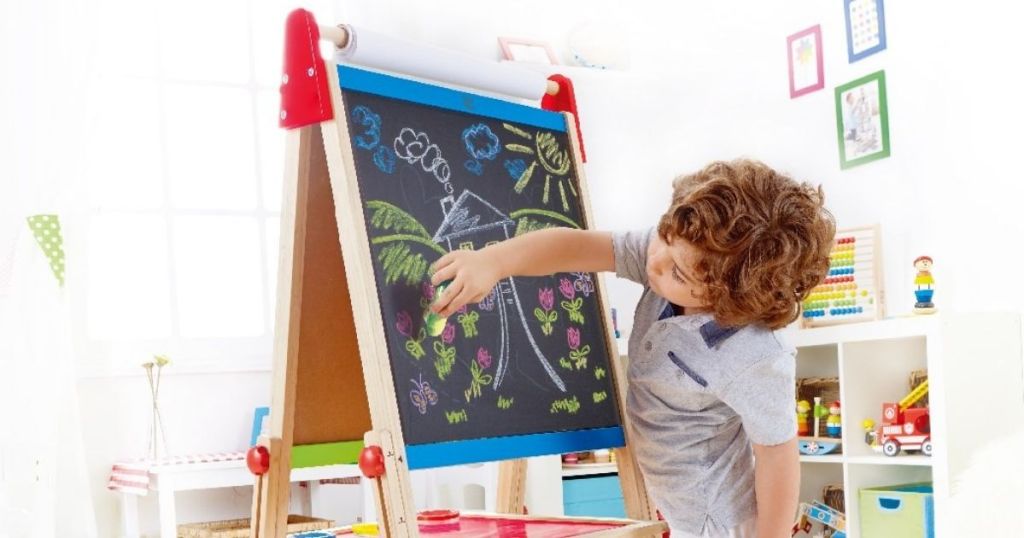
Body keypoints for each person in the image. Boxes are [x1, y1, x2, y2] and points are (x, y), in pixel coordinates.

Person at [429, 159, 836, 537]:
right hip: (675, 503)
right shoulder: (675, 250)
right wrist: (495, 262)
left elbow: (777, 454)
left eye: (676, 271)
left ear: (728, 298)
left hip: (720, 523)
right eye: (662, 234)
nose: (653, 259)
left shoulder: (754, 354)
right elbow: (575, 246)